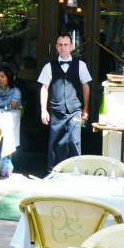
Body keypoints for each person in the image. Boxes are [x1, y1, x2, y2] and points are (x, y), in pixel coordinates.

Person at [38, 33, 92, 172]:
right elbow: (44, 88)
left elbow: (86, 87)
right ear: (56, 47)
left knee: (74, 141)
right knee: (56, 143)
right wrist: (44, 110)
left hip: (75, 110)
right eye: (60, 45)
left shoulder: (81, 65)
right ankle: (53, 173)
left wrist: (86, 108)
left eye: (66, 45)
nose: (63, 47)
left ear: (71, 46)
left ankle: (76, 172)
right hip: (57, 110)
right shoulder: (49, 66)